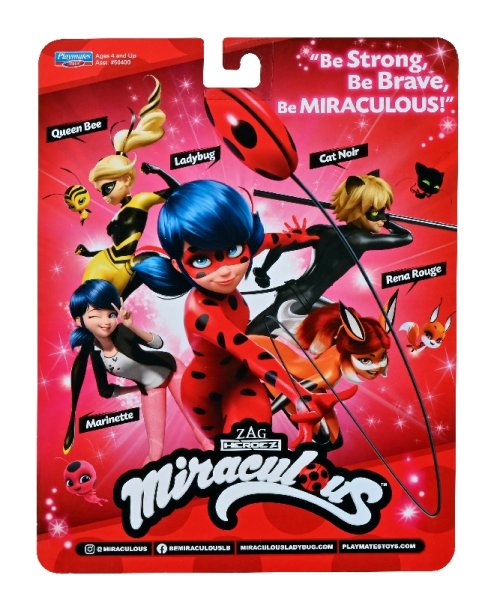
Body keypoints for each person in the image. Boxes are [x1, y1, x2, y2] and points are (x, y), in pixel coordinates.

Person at [134, 179, 341, 448]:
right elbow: (247, 350)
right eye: (201, 259)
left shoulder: (245, 247)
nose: (226, 270)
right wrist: (298, 394)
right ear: (177, 265)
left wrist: (300, 238)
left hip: (243, 381)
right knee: (233, 457)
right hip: (207, 397)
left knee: (255, 445)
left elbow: (267, 241)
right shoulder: (201, 311)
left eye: (233, 250)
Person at [64, 279, 211, 461]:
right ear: (79, 320)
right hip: (150, 388)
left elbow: (158, 343)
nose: (106, 322)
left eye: (111, 314)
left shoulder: (122, 331)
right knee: (155, 452)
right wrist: (136, 388)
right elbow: (106, 391)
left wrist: (131, 326)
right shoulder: (94, 353)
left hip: (171, 369)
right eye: (96, 315)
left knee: (201, 429)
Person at [248, 173, 412, 334]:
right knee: (251, 336)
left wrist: (263, 272)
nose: (382, 219)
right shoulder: (360, 239)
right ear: (358, 211)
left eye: (384, 211)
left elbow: (279, 247)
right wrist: (388, 221)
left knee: (345, 321)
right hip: (297, 302)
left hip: (300, 294)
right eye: (376, 213)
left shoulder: (322, 231)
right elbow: (406, 237)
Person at [76, 75, 178, 298]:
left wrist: (158, 171)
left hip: (125, 267)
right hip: (106, 260)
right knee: (91, 305)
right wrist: (90, 253)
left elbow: (177, 192)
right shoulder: (121, 211)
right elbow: (118, 246)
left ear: (126, 179)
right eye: (100, 192)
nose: (104, 197)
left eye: (107, 188)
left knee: (111, 303)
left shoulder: (140, 201)